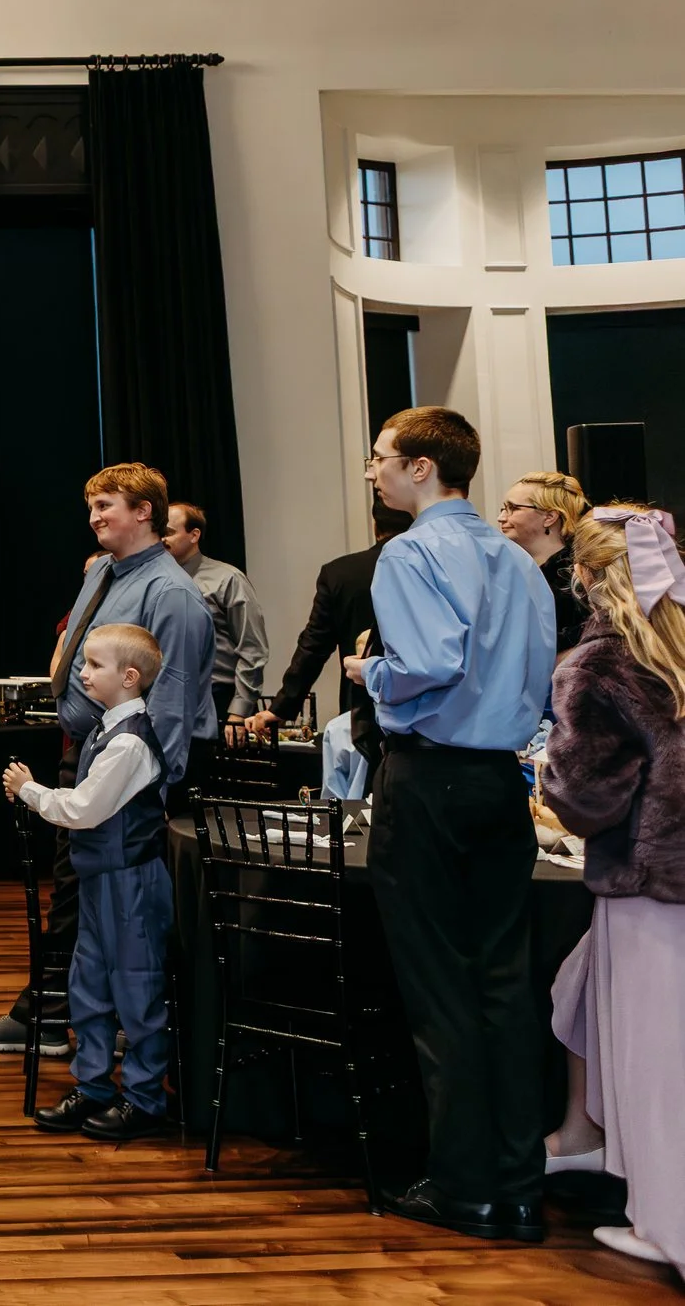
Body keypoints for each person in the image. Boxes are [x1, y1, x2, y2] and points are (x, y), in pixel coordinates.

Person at [343, 406, 555, 1241]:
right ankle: (520, 1186)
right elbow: (535, 686)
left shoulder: (408, 551)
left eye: (382, 457)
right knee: (506, 982)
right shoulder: (520, 563)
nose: (373, 470)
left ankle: (464, 1189)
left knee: (439, 988)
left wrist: (371, 671)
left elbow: (429, 663)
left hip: (429, 778)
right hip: (500, 783)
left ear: (424, 468)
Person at [0, 462, 214, 1056]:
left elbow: (172, 703)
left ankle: (55, 1017)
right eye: (93, 507)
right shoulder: (102, 571)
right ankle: (69, 1014)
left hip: (128, 772)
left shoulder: (172, 594)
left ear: (144, 512)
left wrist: (150, 792)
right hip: (90, 750)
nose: (95, 517)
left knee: (90, 900)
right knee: (77, 896)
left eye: (107, 506)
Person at [536, 504, 685, 1267]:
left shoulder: (598, 662)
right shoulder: (678, 643)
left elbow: (586, 794)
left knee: (655, 1055)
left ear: (587, 574)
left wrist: (547, 775)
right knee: (591, 998)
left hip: (646, 876)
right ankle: (593, 1146)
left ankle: (667, 1225)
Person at [3, 623, 175, 1141]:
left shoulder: (128, 743)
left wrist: (29, 790)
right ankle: (94, 1086)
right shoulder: (105, 729)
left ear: (128, 677)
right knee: (90, 985)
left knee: (137, 986)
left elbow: (83, 809)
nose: (82, 673)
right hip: (101, 879)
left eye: (94, 665)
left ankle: (144, 1098)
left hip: (132, 881)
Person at [234, 500, 408, 763]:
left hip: (361, 712)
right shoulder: (431, 565)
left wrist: (281, 707)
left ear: (375, 526)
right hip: (424, 709)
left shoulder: (341, 573)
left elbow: (313, 647)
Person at [162, 502, 268, 728]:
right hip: (168, 701)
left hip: (219, 699)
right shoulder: (156, 582)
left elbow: (252, 648)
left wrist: (238, 712)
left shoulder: (227, 578)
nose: (162, 539)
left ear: (194, 535)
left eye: (169, 532)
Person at [497, 469, 592, 654]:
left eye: (513, 508)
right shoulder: (512, 572)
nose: (502, 517)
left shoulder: (576, 581)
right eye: (503, 508)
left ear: (549, 517)